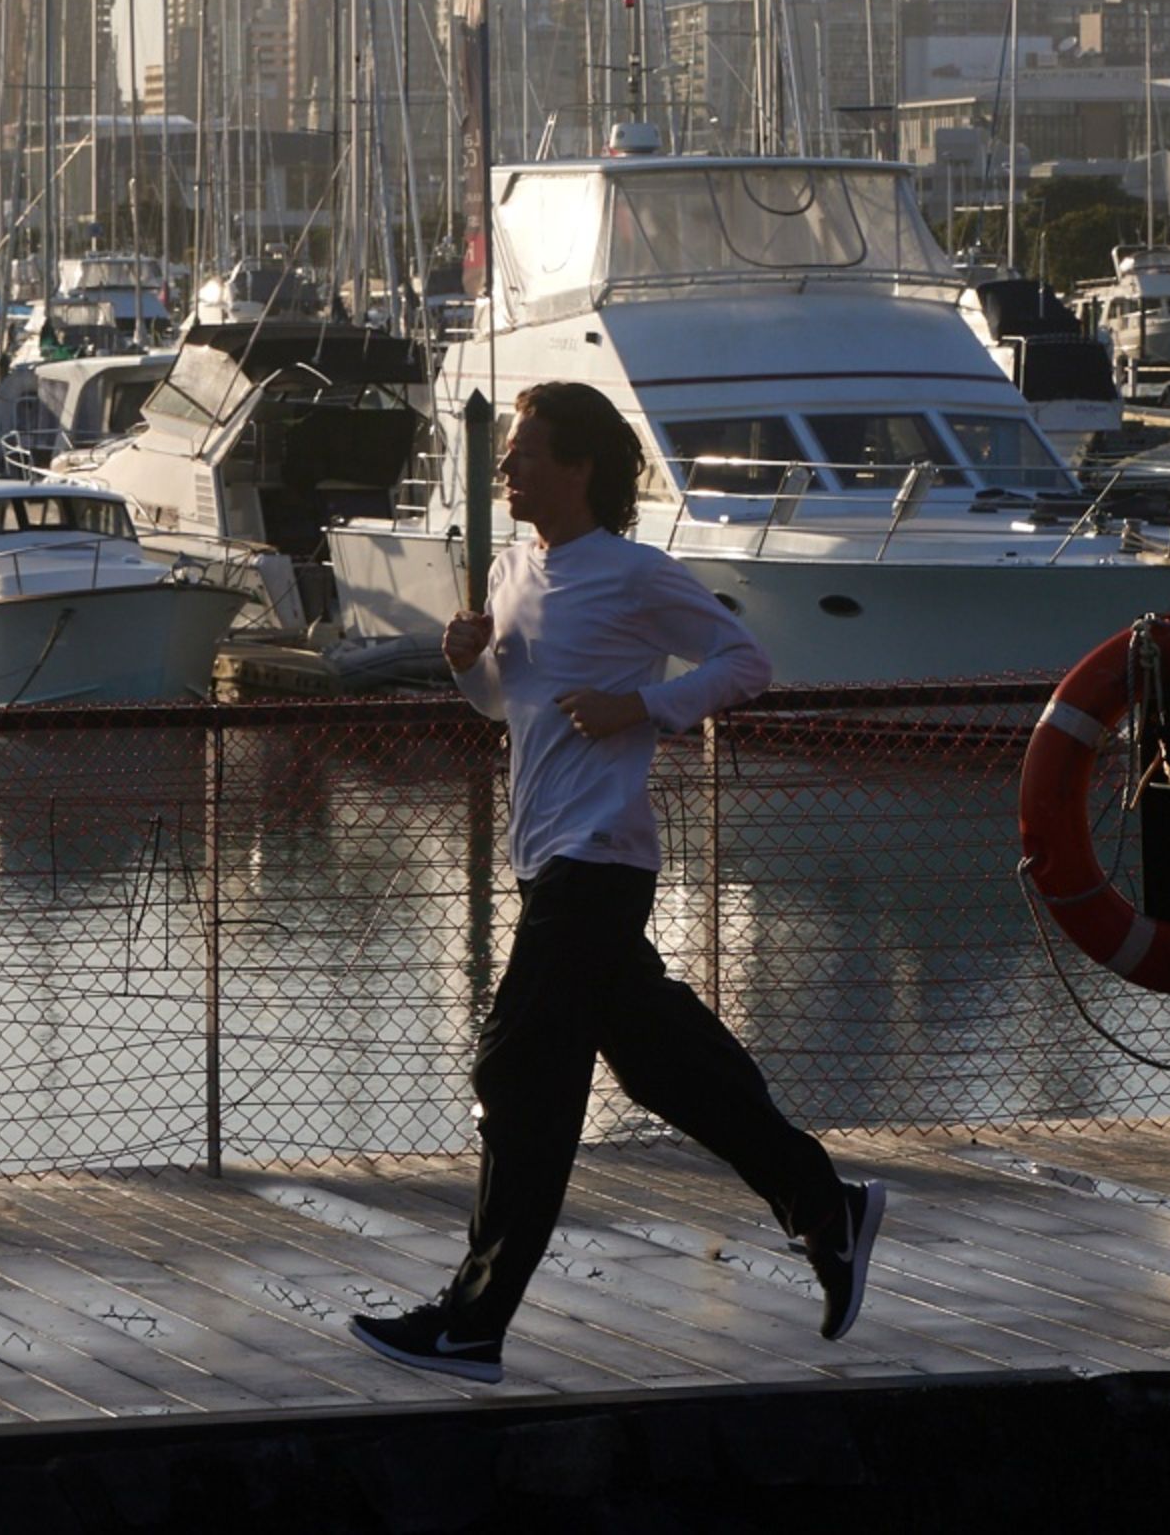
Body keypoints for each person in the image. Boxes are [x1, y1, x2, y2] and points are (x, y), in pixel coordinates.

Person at [349, 379, 883, 1387]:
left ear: (579, 465)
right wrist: (466, 664)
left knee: (516, 1071)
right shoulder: (512, 566)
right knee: (659, 1065)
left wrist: (642, 703)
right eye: (508, 453)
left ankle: (472, 1321)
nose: (506, 467)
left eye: (524, 451)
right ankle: (823, 1205)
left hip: (600, 859)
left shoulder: (635, 573)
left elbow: (746, 661)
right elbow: (504, 705)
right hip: (544, 859)